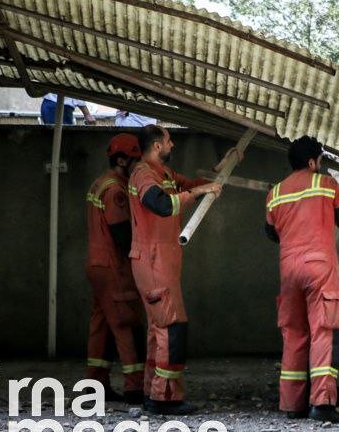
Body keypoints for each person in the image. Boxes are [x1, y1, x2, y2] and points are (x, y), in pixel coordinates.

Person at [128, 125, 239, 414]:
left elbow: (191, 185)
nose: (172, 144)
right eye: (168, 141)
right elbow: (161, 205)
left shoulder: (162, 173)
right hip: (153, 262)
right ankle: (165, 399)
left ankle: (154, 394)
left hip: (160, 260)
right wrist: (200, 190)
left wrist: (222, 169)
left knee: (159, 330)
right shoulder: (143, 174)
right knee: (171, 328)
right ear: (156, 146)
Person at [264, 136, 339, 422]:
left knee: (294, 335)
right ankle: (322, 404)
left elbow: (270, 233)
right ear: (312, 161)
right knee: (323, 332)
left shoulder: (275, 193)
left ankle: (292, 405)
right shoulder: (325, 184)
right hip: (319, 268)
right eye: (320, 160)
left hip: (289, 269)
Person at [86, 133, 147, 404]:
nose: (139, 166)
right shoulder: (116, 190)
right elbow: (121, 233)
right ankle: (135, 386)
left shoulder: (100, 183)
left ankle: (95, 384)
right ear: (122, 160)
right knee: (125, 323)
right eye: (135, 160)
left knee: (102, 325)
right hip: (114, 266)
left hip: (98, 264)